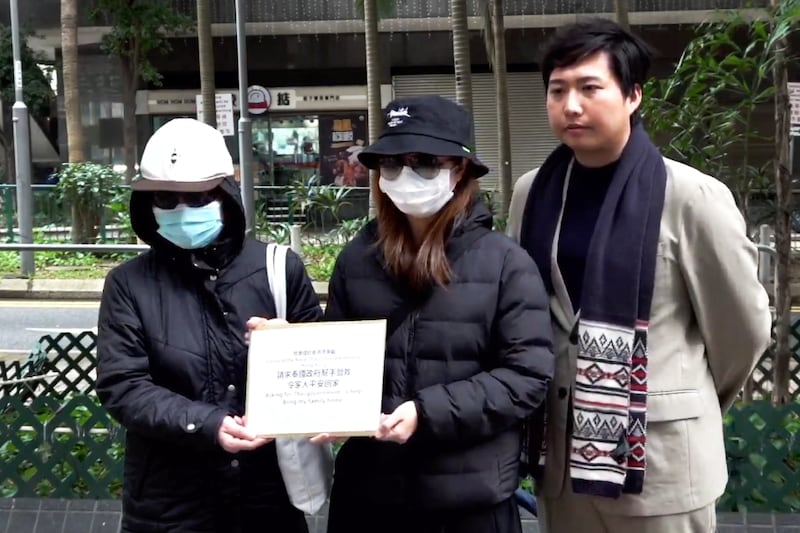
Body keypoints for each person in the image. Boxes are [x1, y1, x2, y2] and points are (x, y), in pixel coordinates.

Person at [507, 19, 772, 533]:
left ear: (632, 95)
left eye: (590, 88)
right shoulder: (532, 193)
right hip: (561, 460)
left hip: (660, 461)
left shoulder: (690, 197)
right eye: (557, 90)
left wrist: (679, 396)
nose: (572, 105)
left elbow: (743, 329)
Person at [317, 94, 555, 533]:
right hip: (369, 496)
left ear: (459, 169)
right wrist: (288, 346)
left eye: (425, 162)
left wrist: (426, 413)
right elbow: (339, 356)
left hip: (469, 502)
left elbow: (527, 376)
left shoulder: (505, 263)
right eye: (390, 164)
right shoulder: (357, 258)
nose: (405, 175)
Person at [96, 118, 322, 533]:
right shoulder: (128, 284)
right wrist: (207, 423)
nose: (181, 210)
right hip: (168, 506)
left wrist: (288, 347)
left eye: (197, 197)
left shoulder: (277, 269)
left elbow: (323, 370)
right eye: (166, 198)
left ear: (225, 193)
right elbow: (123, 386)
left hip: (266, 500)